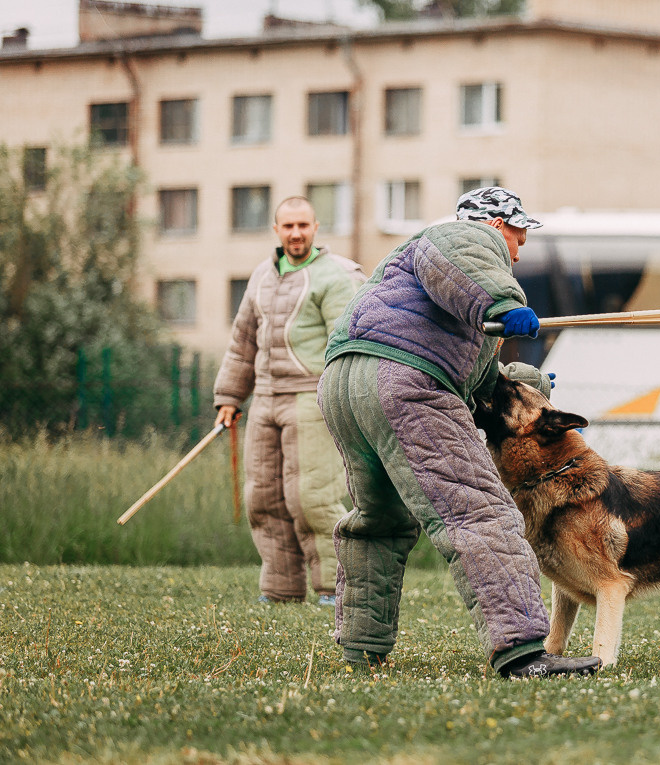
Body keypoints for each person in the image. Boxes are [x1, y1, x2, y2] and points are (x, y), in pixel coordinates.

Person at [319, 186, 601, 679]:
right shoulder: (460, 237)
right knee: (480, 512)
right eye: (518, 235)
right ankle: (522, 651)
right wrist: (503, 303)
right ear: (495, 223)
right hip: (404, 382)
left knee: (379, 519)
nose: (520, 250)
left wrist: (530, 385)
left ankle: (362, 647)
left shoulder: (425, 285)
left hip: (346, 383)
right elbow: (462, 260)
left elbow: (479, 384)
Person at [213, 197, 365, 606]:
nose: (296, 233)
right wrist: (229, 396)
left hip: (311, 396)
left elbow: (348, 343)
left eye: (303, 225)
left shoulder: (338, 275)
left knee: (312, 497)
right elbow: (243, 341)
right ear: (276, 230)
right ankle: (280, 588)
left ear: (315, 227)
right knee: (263, 498)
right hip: (264, 397)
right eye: (288, 226)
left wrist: (346, 399)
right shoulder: (262, 275)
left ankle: (334, 587)